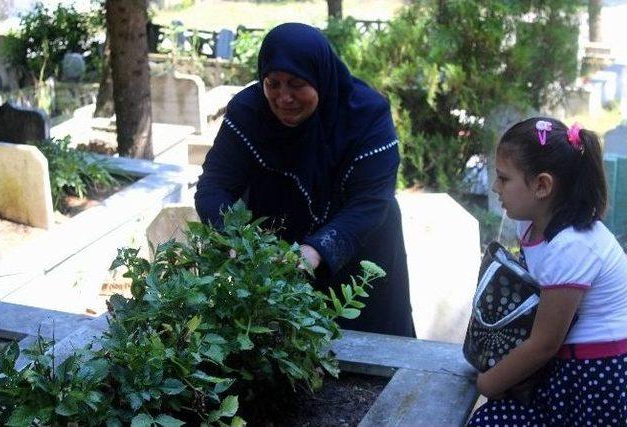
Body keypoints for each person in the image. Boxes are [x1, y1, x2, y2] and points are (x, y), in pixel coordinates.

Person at [194, 23, 414, 338]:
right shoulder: (248, 112)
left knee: (370, 356)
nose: (284, 98)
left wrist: (315, 251)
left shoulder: (367, 116)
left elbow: (371, 201)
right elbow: (214, 185)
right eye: (273, 84)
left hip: (360, 249)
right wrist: (236, 240)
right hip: (276, 252)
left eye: (297, 84)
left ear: (320, 78)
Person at [467, 117, 627, 426]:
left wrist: (490, 382)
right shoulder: (530, 224)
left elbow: (544, 343)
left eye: (503, 178)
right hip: (568, 368)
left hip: (598, 378)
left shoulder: (573, 246)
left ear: (542, 185)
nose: (495, 187)